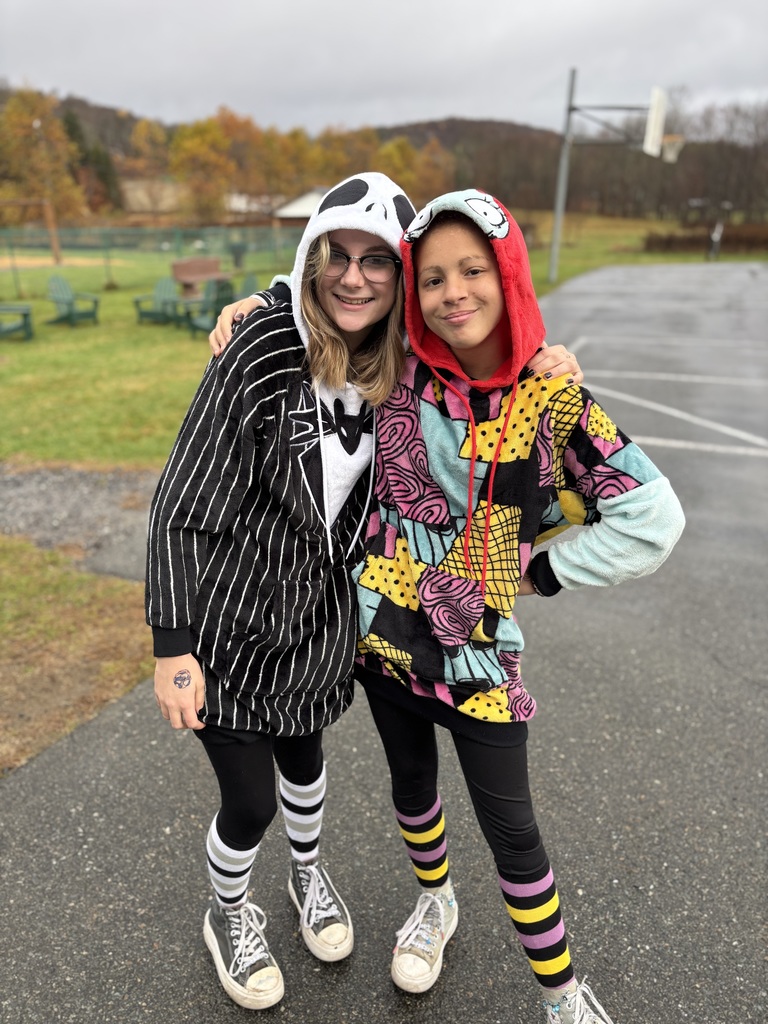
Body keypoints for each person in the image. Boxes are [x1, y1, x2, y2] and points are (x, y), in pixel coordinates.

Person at [148, 172, 581, 1012]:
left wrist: (549, 359)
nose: (354, 277)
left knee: (307, 767)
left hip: (322, 626)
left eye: (377, 261)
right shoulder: (263, 346)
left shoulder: (407, 361)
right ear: (310, 262)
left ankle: (309, 878)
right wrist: (173, 644)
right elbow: (181, 501)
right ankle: (228, 911)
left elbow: (486, 342)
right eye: (334, 257)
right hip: (231, 622)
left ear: (401, 272)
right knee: (248, 800)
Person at [350, 190, 685, 1024]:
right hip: (381, 638)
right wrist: (257, 306)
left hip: (477, 660)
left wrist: (534, 576)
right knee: (410, 786)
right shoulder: (395, 369)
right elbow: (325, 306)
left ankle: (562, 994)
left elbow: (653, 519)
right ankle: (436, 903)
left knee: (513, 832)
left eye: (473, 270)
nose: (452, 293)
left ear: (509, 276)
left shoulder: (555, 400)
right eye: (431, 278)